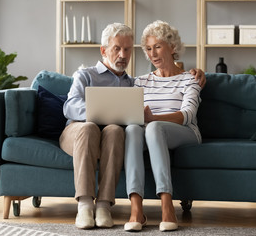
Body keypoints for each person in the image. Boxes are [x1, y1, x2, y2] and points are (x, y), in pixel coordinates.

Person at [59, 22, 205, 230]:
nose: (122, 55)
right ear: (104, 50)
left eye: (127, 49)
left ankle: (106, 206)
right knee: (101, 128)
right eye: (117, 48)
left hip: (129, 135)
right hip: (81, 132)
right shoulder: (90, 75)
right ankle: (94, 207)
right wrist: (103, 114)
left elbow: (185, 114)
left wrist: (199, 73)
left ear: (172, 48)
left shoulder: (133, 82)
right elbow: (70, 106)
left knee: (122, 129)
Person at [123, 20, 203, 232]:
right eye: (148, 49)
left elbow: (187, 116)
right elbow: (134, 116)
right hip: (150, 130)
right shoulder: (140, 81)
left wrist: (152, 120)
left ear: (173, 47)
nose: (152, 53)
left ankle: (167, 206)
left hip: (185, 132)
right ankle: (136, 210)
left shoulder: (190, 79)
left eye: (157, 46)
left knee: (153, 128)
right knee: (132, 129)